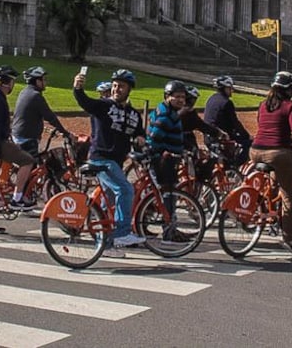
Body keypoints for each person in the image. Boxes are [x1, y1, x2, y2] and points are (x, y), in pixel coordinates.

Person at [73, 68, 148, 251]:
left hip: (116, 163)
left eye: (121, 86)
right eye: (114, 85)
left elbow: (139, 134)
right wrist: (77, 88)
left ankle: (105, 243)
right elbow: (85, 102)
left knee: (109, 203)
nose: (116, 89)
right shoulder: (104, 106)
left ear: (130, 89)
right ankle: (122, 233)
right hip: (101, 159)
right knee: (125, 189)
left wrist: (140, 140)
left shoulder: (134, 115)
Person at [250, 71, 292, 255]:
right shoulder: (289, 106)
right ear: (289, 90)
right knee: (289, 195)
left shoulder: (263, 105)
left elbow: (261, 124)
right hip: (279, 151)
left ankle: (269, 210)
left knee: (274, 182)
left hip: (256, 150)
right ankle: (289, 237)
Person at [0, 65, 37, 218]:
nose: (13, 85)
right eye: (12, 81)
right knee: (28, 161)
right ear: (7, 82)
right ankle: (17, 199)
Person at [11, 66, 70, 209]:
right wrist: (65, 132)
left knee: (31, 168)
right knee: (29, 165)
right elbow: (49, 116)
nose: (46, 82)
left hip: (19, 135)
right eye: (44, 80)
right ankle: (17, 198)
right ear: (37, 81)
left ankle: (25, 195)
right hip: (26, 138)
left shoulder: (25, 92)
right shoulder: (36, 96)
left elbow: (33, 115)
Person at [146, 80, 193, 243]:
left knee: (161, 194)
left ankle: (168, 228)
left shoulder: (169, 112)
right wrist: (165, 153)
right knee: (167, 195)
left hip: (166, 159)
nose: (181, 100)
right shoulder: (166, 115)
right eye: (177, 97)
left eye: (183, 97)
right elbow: (154, 139)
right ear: (167, 96)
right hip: (163, 161)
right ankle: (169, 231)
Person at [180, 85, 227, 182]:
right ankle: (194, 187)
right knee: (198, 166)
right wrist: (219, 133)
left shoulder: (177, 110)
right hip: (185, 142)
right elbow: (202, 126)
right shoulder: (188, 112)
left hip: (178, 140)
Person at [204, 75, 251, 165]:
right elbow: (235, 123)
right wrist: (246, 136)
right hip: (221, 136)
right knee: (248, 143)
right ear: (224, 88)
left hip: (208, 137)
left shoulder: (211, 98)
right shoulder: (226, 102)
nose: (232, 90)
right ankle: (235, 165)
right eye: (230, 88)